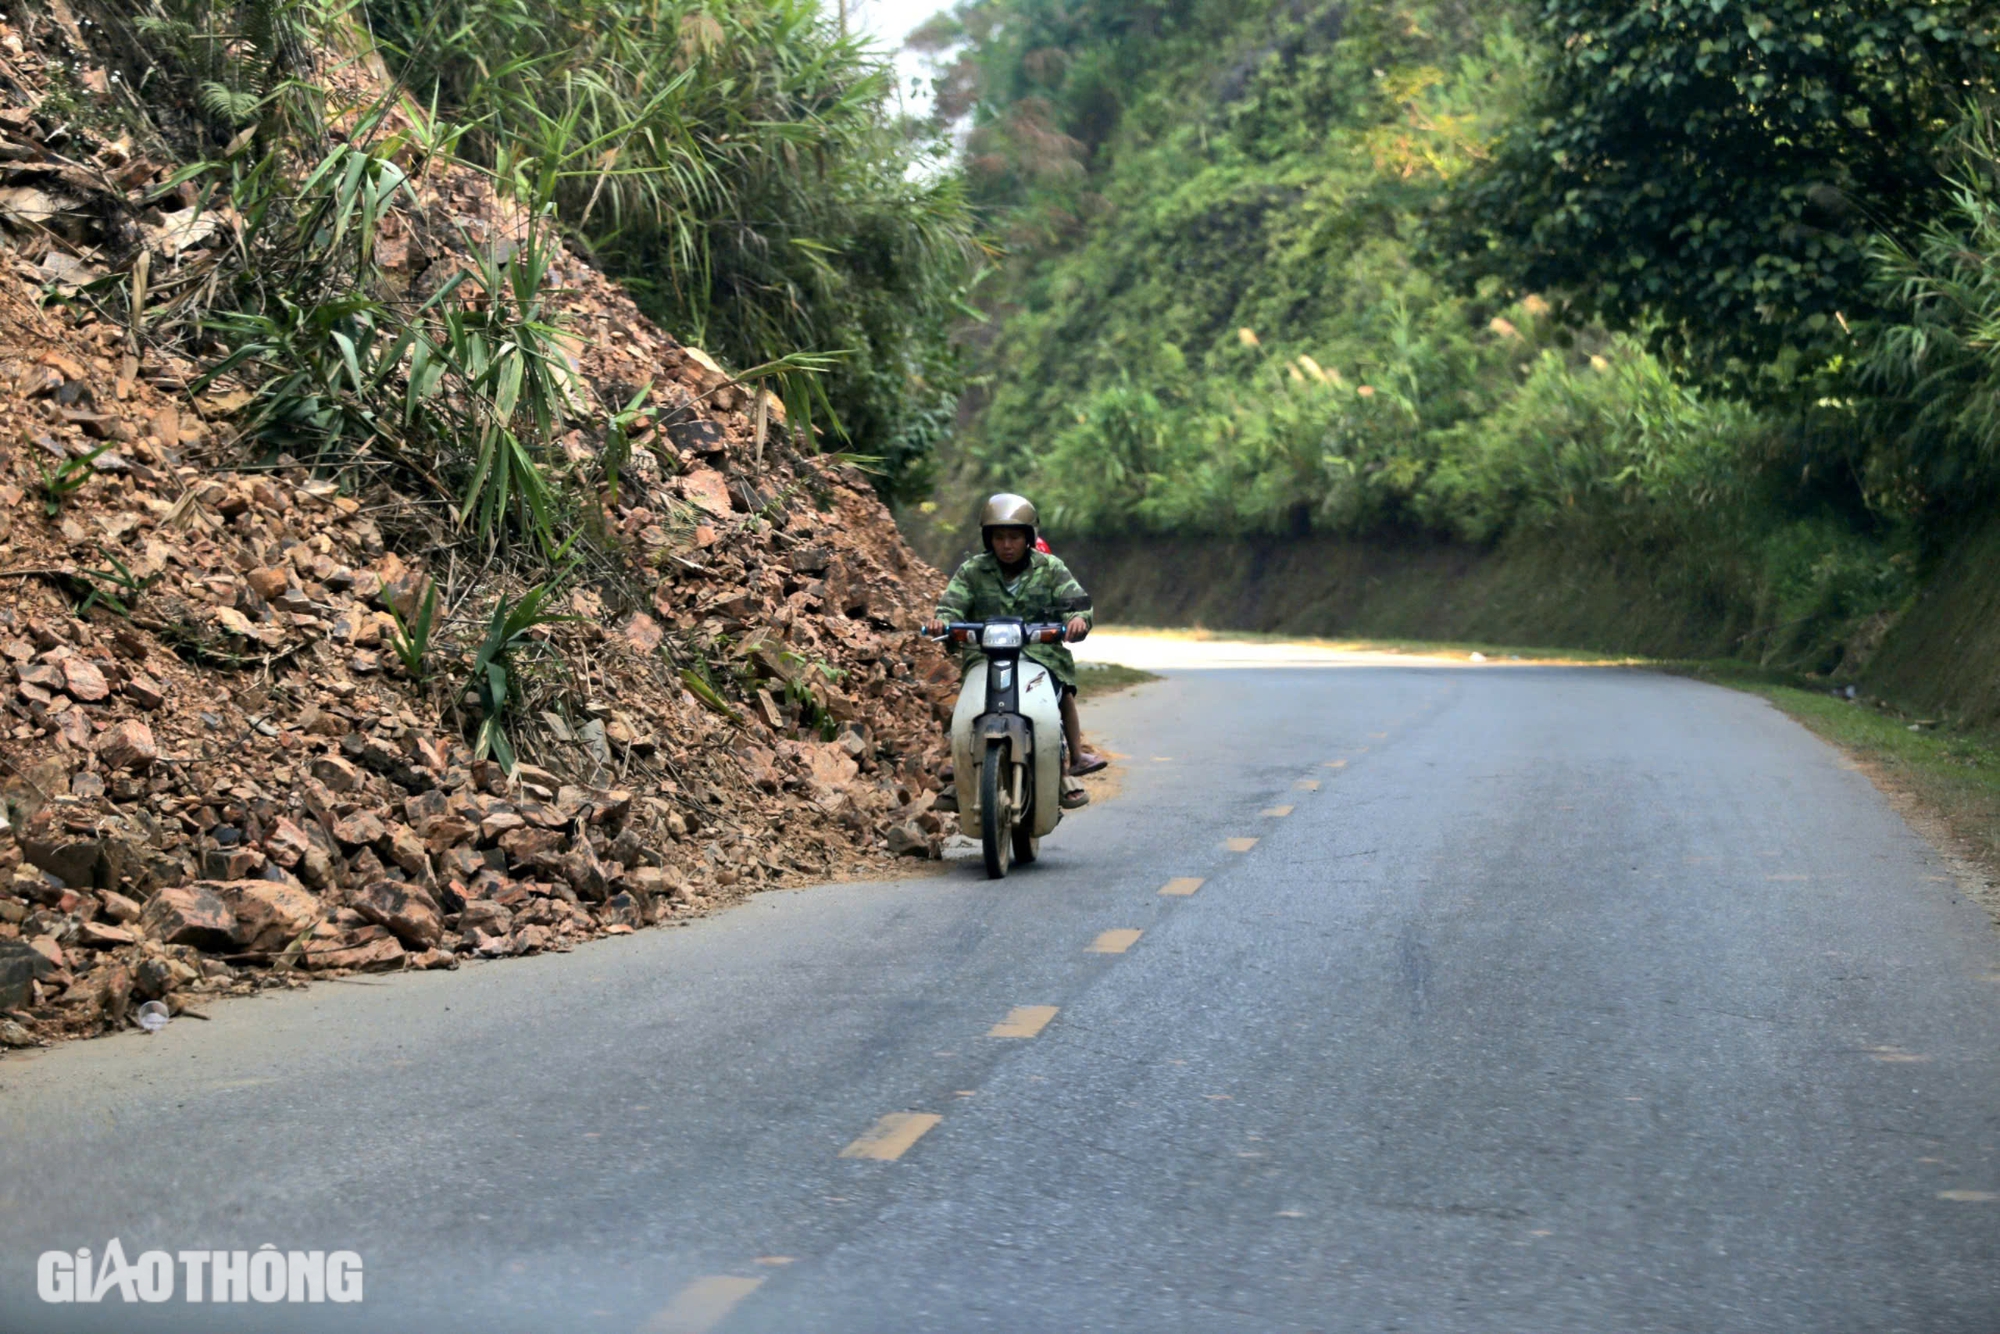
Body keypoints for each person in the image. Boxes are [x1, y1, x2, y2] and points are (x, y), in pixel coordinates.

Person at [926, 493, 1108, 811]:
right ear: (988, 539)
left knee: (1059, 694)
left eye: (1014, 537)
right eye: (999, 537)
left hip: (1041, 653)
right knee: (970, 701)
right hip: (986, 653)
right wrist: (942, 621)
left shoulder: (1050, 567)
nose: (1007, 545)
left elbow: (1076, 600)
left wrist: (1077, 619)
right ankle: (962, 774)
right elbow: (952, 602)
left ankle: (1068, 765)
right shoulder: (973, 570)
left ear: (1028, 538)